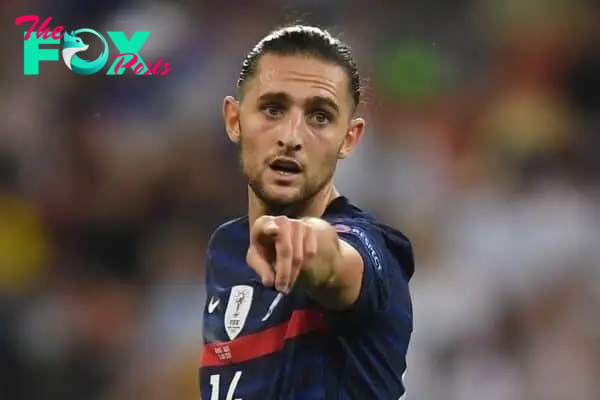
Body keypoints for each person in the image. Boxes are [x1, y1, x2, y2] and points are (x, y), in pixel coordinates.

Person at [200, 24, 414, 400]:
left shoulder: (373, 248)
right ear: (234, 120)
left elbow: (335, 257)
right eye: (273, 109)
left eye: (319, 116)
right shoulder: (228, 248)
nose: (291, 136)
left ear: (350, 138)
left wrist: (305, 240)